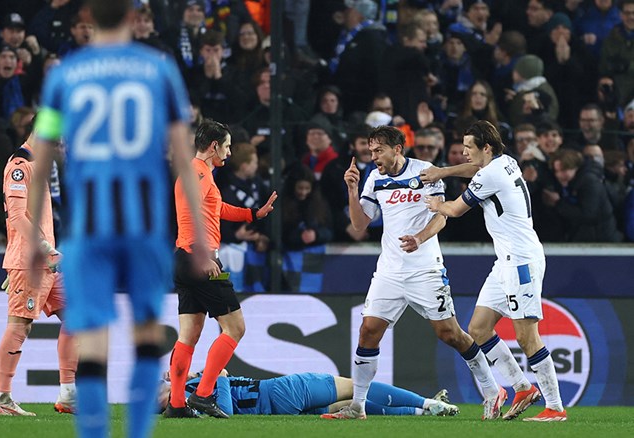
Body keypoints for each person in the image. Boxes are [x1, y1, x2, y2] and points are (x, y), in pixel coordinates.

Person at [28, 1, 208, 437]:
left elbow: (41, 158)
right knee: (147, 335)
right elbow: (184, 158)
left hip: (88, 229)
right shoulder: (159, 69)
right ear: (131, 17)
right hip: (144, 226)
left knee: (92, 339)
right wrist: (199, 235)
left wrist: (35, 237)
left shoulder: (64, 75)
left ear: (88, 18)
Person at [321, 125, 505, 421]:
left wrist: (419, 237)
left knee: (450, 333)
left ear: (397, 149)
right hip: (389, 271)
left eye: (379, 150)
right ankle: (358, 405)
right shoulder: (374, 179)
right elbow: (359, 225)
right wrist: (352, 190)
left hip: (425, 269)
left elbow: (441, 217)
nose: (374, 156)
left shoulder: (425, 172)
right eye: (370, 151)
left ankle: (493, 391)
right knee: (369, 331)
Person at [422, 120, 567, 422]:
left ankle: (555, 406)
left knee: (527, 336)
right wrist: (444, 172)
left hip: (521, 261)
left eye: (468, 148)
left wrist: (437, 203)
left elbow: (455, 210)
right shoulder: (505, 162)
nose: (463, 153)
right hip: (506, 261)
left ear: (485, 148)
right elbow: (475, 171)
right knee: (478, 328)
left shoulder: (490, 174)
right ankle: (522, 387)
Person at [166, 119, 278, 419]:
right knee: (236, 327)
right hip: (200, 258)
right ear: (214, 146)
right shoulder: (198, 174)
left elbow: (215, 208)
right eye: (227, 146)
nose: (229, 152)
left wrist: (253, 214)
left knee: (188, 334)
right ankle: (203, 395)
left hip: (183, 258)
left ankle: (177, 404)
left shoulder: (198, 173)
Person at [0, 127, 78, 417]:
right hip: (32, 260)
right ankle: (2, 398)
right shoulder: (19, 166)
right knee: (20, 325)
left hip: (46, 262)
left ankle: (68, 394)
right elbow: (16, 217)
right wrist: (43, 249)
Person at [158, 369, 459, 417]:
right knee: (358, 387)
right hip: (284, 391)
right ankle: (426, 402)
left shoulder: (189, 405)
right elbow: (226, 409)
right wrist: (218, 375)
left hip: (277, 411)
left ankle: (422, 411)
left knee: (352, 405)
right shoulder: (195, 390)